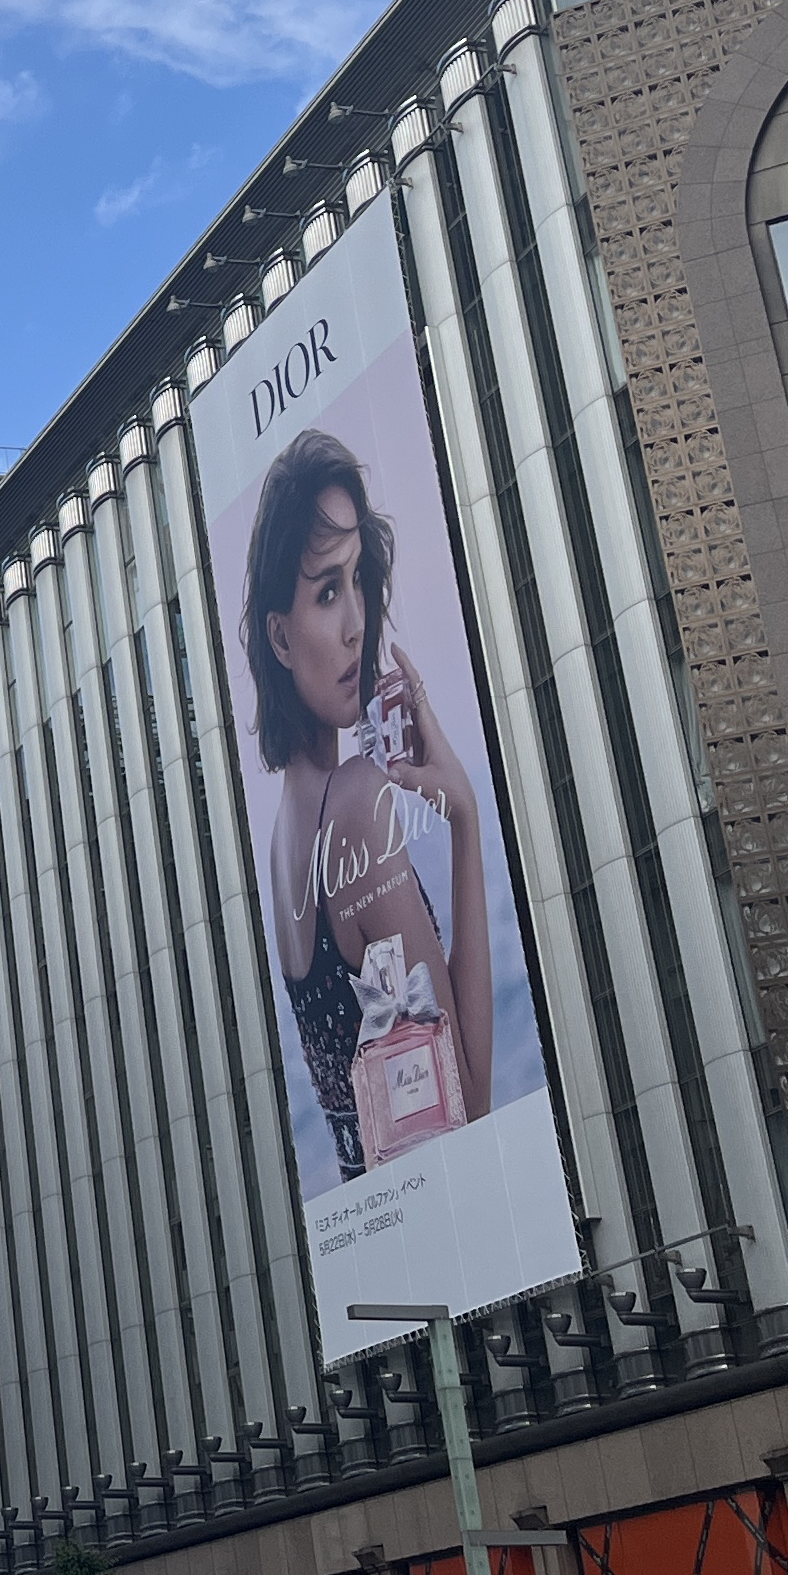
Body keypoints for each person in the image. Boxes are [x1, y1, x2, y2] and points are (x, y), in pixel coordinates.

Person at [243, 427, 496, 1179]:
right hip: (440, 1235)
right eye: (327, 591)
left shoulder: (286, 839)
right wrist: (467, 823)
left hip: (381, 1244)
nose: (356, 622)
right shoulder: (353, 801)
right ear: (281, 639)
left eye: (359, 581)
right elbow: (471, 1105)